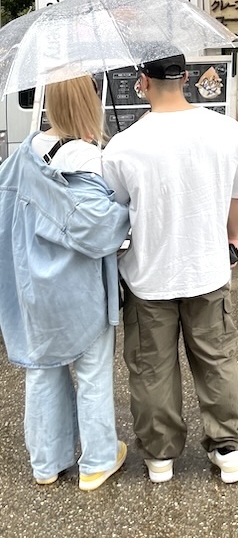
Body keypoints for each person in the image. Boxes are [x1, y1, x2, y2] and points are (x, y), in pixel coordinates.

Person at [102, 53, 238, 485]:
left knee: (152, 368)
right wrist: (231, 237)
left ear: (142, 82)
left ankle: (160, 458)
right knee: (216, 359)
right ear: (187, 79)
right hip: (207, 269)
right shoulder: (225, 130)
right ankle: (228, 450)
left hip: (147, 276)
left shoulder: (123, 145)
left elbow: (113, 209)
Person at [0, 75, 129, 490]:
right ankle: (96, 462)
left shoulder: (23, 154)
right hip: (81, 289)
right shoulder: (88, 158)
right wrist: (125, 212)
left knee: (42, 370)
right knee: (91, 373)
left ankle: (46, 465)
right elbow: (98, 228)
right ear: (89, 102)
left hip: (33, 288)